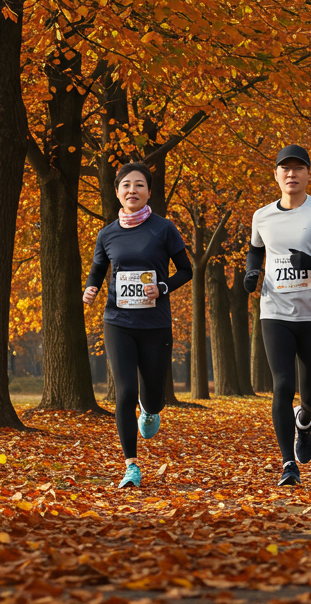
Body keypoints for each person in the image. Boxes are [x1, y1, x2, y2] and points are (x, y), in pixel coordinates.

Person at [244, 145, 311, 487]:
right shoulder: (262, 216)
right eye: (285, 169)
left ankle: (303, 422)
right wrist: (251, 274)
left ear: (308, 174)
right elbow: (255, 252)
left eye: (298, 169)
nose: (291, 174)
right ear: (276, 175)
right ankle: (288, 464)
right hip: (274, 312)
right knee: (282, 385)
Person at [83, 162, 193, 488]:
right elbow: (98, 269)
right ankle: (131, 464)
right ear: (117, 192)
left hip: (155, 323)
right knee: (126, 390)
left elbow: (186, 270)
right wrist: (91, 287)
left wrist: (162, 287)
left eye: (140, 185)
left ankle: (151, 409)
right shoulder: (107, 234)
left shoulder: (163, 229)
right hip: (118, 321)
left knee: (153, 394)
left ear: (149, 191)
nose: (133, 190)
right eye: (126, 185)